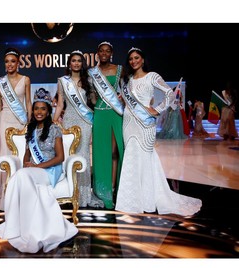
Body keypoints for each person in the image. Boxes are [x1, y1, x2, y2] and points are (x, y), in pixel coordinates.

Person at [115, 47, 202, 216]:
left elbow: (170, 94)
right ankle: (131, 200)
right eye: (131, 59)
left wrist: (158, 109)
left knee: (146, 157)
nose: (134, 61)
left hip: (146, 123)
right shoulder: (127, 80)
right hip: (128, 123)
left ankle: (148, 199)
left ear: (142, 59)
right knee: (131, 156)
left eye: (137, 58)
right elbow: (126, 102)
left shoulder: (152, 76)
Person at [0, 88, 78, 253]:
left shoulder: (54, 129)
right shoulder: (31, 130)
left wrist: (36, 166)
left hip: (50, 171)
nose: (39, 112)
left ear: (48, 111)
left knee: (21, 176)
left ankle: (23, 228)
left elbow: (60, 157)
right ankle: (22, 226)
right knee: (20, 176)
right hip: (32, 171)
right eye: (36, 108)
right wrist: (26, 162)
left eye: (43, 109)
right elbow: (26, 153)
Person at [53, 50, 104, 208]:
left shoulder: (88, 80)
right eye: (73, 60)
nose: (76, 63)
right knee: (69, 155)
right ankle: (70, 191)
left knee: (82, 155)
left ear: (82, 63)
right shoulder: (63, 81)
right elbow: (61, 103)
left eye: (79, 61)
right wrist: (55, 119)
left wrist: (96, 93)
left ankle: (83, 194)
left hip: (85, 121)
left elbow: (94, 102)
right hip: (68, 120)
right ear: (69, 63)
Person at [0, 47, 32, 211]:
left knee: (20, 156)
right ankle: (5, 195)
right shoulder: (0, 82)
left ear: (18, 62)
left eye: (13, 61)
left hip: (20, 122)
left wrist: (28, 122)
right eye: (7, 62)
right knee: (5, 157)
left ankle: (21, 194)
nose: (10, 64)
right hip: (5, 120)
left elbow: (28, 103)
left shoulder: (26, 79)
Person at [88, 41, 124, 209]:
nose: (104, 53)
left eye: (107, 51)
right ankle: (103, 191)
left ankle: (115, 188)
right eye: (101, 50)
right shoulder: (92, 73)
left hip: (115, 114)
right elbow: (93, 96)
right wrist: (94, 100)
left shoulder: (120, 70)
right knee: (102, 153)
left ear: (111, 53)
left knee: (115, 152)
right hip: (100, 114)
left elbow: (126, 91)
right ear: (97, 53)